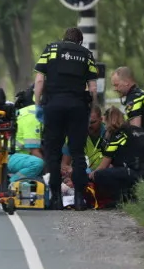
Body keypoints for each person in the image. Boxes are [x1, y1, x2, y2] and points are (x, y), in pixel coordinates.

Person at [33, 25, 102, 210]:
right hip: (77, 107)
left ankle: (55, 197)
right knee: (77, 153)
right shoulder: (86, 54)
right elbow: (93, 87)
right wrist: (92, 105)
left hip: (53, 106)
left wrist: (37, 102)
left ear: (64, 38)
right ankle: (79, 198)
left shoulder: (51, 49)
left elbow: (39, 80)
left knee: (53, 153)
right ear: (80, 41)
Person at [92, 106, 144, 204]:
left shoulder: (117, 135)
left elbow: (103, 166)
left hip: (134, 173)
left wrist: (89, 175)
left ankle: (119, 198)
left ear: (107, 121)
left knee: (99, 175)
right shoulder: (135, 129)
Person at [9, 88, 45, 183]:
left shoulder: (28, 111)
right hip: (7, 155)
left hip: (10, 154)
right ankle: (12, 183)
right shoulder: (33, 115)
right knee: (37, 164)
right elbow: (34, 150)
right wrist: (48, 174)